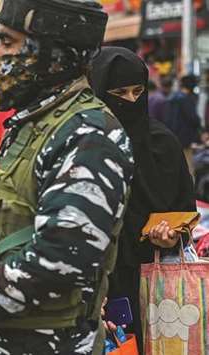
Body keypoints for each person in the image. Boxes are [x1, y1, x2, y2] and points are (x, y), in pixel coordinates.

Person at [0, 0, 134, 354]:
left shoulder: (88, 134)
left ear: (53, 54)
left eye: (8, 41)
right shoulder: (31, 126)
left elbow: (61, 259)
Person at [90, 46, 196, 353]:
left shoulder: (163, 143)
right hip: (100, 286)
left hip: (157, 286)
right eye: (119, 92)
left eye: (139, 91)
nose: (131, 101)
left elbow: (185, 214)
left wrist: (170, 237)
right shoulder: (87, 146)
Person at [165, 75, 202, 176]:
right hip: (185, 138)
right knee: (188, 165)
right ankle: (189, 190)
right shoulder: (185, 99)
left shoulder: (172, 97)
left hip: (173, 136)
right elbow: (193, 119)